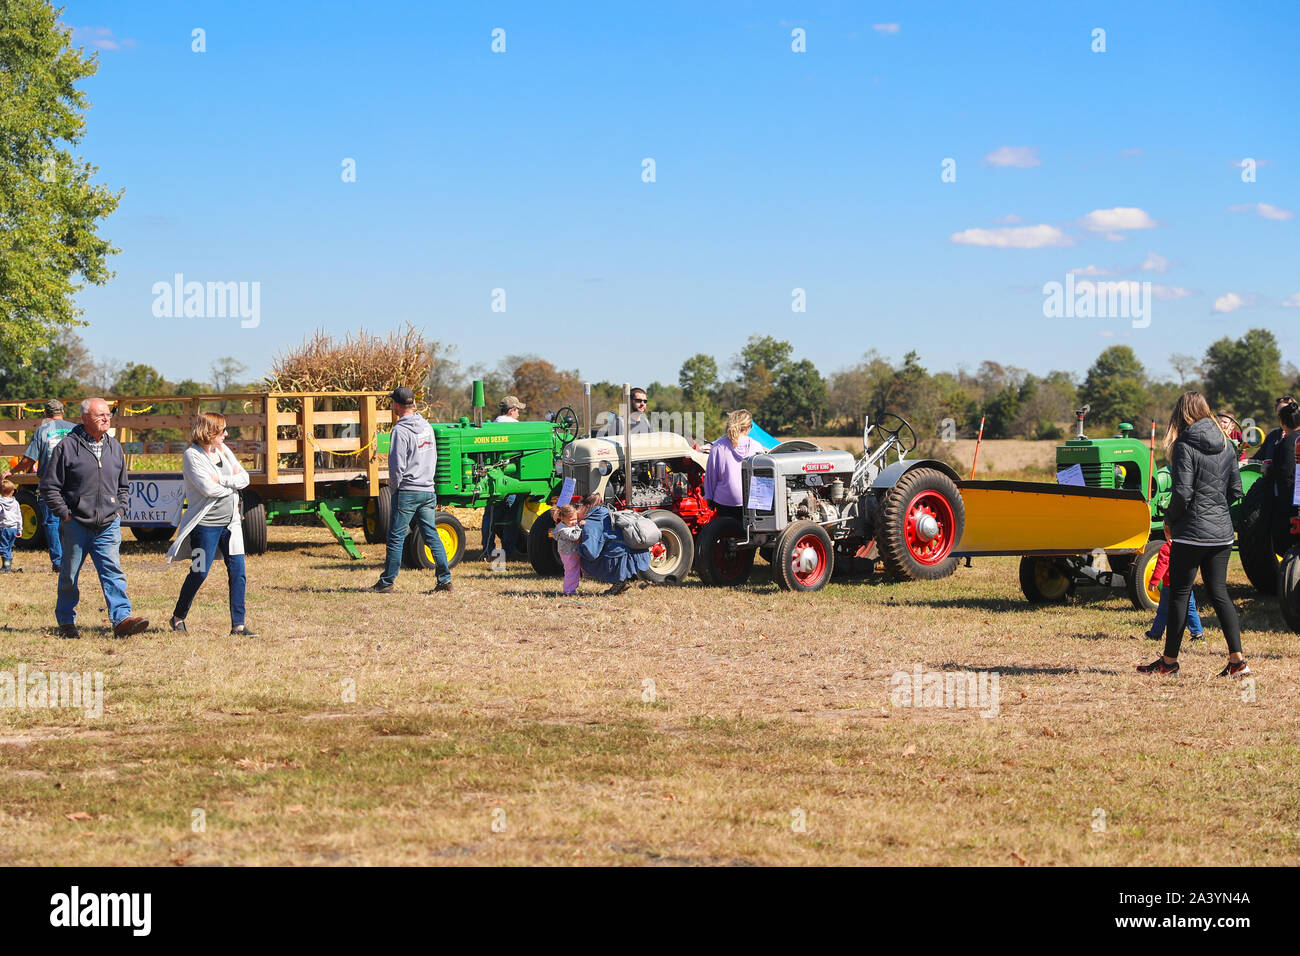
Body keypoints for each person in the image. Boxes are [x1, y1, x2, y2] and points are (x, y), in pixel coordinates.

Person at [1138, 392, 1247, 678]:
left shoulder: (1185, 443)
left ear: (1183, 414)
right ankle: (1238, 662)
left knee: (1178, 595)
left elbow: (1183, 492)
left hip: (1191, 534)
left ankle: (1169, 662)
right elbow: (1236, 490)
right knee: (1220, 594)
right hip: (1222, 533)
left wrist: (1170, 519)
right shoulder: (1226, 444)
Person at [40, 398, 149, 639]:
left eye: (108, 415)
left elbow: (123, 485)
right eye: (99, 415)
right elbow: (49, 487)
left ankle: (122, 619)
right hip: (76, 523)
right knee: (69, 574)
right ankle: (66, 621)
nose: (105, 418)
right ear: (84, 418)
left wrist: (121, 509)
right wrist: (66, 514)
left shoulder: (114, 447)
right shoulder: (67, 447)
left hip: (109, 523)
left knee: (113, 571)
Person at [164, 412, 257, 636]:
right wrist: (232, 484)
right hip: (204, 525)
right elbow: (208, 489)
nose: (226, 434)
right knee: (199, 572)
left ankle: (239, 625)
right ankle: (178, 617)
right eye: (222, 430)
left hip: (231, 523)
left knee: (238, 572)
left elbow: (245, 479)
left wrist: (224, 480)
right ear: (209, 432)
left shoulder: (224, 451)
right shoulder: (192, 455)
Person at [373, 386, 453, 594]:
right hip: (427, 490)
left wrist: (394, 488)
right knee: (431, 535)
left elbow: (396, 465)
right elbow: (433, 457)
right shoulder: (426, 426)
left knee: (396, 537)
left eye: (393, 403)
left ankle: (387, 582)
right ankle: (444, 580)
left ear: (397, 405)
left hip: (407, 490)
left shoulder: (400, 431)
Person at [4, 400, 75, 572]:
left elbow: (29, 459)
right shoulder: (75, 429)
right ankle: (72, 559)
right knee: (72, 521)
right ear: (62, 412)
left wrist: (12, 471)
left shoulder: (42, 431)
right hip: (73, 482)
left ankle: (58, 562)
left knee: (51, 522)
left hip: (50, 482)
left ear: (46, 414)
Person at [480, 395, 527, 560]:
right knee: (511, 517)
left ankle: (488, 550)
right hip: (512, 478)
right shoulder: (517, 428)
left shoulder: (491, 427)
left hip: (493, 479)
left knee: (490, 517)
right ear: (512, 410)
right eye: (518, 410)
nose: (519, 414)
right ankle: (508, 549)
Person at [578, 492, 651, 595]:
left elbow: (591, 553)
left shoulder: (592, 522)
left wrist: (578, 548)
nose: (578, 509)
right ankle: (621, 582)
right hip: (636, 551)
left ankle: (619, 581)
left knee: (585, 559)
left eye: (579, 506)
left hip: (619, 554)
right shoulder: (607, 512)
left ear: (586, 506)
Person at [704, 409, 759, 522]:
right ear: (748, 427)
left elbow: (711, 477)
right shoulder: (757, 447)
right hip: (751, 502)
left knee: (727, 535)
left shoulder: (718, 446)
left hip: (724, 502)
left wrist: (709, 498)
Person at [1143, 539, 1202, 641]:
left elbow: (1161, 565)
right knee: (1190, 609)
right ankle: (1198, 634)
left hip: (1169, 586)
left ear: (1166, 532)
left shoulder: (1167, 548)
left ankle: (1156, 634)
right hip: (1186, 585)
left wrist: (1154, 581)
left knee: (1163, 611)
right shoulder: (1189, 547)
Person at [1268, 399, 1300, 556]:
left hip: (1291, 505)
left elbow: (1285, 473)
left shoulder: (1289, 441)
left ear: (1282, 421)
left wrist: (1269, 470)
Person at [550, 503, 585, 595]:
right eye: (571, 519)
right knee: (571, 572)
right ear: (562, 518)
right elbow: (574, 537)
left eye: (576, 519)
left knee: (574, 571)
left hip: (571, 552)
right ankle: (569, 591)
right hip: (568, 553)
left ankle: (572, 589)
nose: (574, 521)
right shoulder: (563, 529)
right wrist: (579, 527)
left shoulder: (567, 525)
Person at [1250, 395, 1296, 465]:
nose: (1283, 415)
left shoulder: (1297, 436)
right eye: (1280, 412)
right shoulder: (1273, 435)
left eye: (1286, 411)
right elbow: (1258, 458)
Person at [0, 479, 22, 573]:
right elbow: (19, 516)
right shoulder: (15, 503)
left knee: (3, 548)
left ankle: (6, 567)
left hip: (4, 528)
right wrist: (19, 529)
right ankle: (7, 566)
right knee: (8, 547)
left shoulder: (0, 503)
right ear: (12, 491)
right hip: (13, 528)